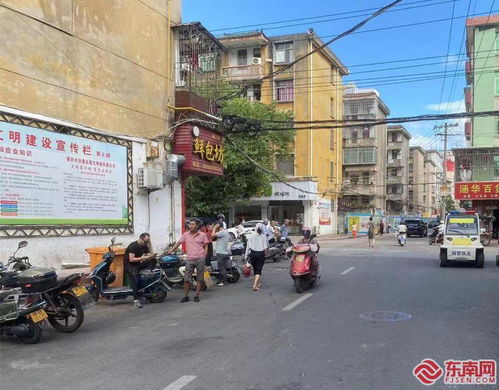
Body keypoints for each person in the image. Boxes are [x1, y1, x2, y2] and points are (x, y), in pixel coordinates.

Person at [167, 219, 210, 303]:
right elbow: (179, 242)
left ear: (197, 225)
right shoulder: (186, 234)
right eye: (190, 224)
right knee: (186, 278)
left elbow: (206, 246)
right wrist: (171, 250)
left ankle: (196, 295)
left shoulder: (202, 235)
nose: (191, 226)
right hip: (190, 259)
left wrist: (204, 256)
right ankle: (186, 296)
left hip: (200, 258)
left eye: (193, 224)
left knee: (199, 278)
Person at [124, 233, 156, 309]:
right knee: (135, 279)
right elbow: (131, 259)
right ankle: (136, 300)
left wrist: (151, 256)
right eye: (145, 241)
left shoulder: (144, 245)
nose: (146, 243)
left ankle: (148, 273)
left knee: (154, 260)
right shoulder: (133, 246)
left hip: (138, 263)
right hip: (130, 265)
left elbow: (148, 254)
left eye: (147, 242)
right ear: (141, 239)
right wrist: (143, 258)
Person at [245, 223, 269, 291]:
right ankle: (254, 285)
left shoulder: (251, 237)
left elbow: (247, 248)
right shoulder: (264, 237)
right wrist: (267, 254)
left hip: (252, 254)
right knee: (259, 270)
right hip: (260, 254)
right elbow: (266, 247)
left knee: (255, 269)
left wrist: (246, 256)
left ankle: (258, 283)